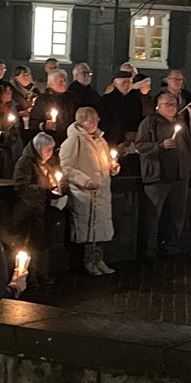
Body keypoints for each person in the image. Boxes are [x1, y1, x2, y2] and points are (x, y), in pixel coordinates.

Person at [61, 108, 117, 275]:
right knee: (89, 228)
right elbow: (67, 167)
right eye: (89, 120)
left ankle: (98, 259)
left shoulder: (100, 140)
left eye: (96, 120)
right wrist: (85, 181)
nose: (94, 124)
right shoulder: (74, 140)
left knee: (100, 228)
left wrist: (113, 168)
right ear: (81, 122)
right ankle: (88, 261)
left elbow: (105, 162)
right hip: (85, 192)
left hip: (101, 191)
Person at [135, 91, 191, 260]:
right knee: (152, 215)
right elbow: (140, 146)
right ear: (158, 106)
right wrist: (160, 146)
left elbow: (189, 145)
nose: (172, 108)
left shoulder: (180, 123)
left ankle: (170, 246)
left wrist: (187, 164)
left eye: (174, 104)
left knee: (176, 214)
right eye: (168, 104)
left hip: (178, 177)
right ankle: (149, 249)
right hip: (158, 177)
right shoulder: (149, 123)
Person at [6, 134, 64, 284]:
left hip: (44, 209)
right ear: (39, 147)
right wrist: (44, 191)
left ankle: (42, 273)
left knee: (43, 243)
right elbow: (21, 186)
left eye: (52, 149)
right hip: (29, 210)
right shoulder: (25, 162)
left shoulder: (47, 163)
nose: (50, 152)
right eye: (47, 149)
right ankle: (29, 276)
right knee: (31, 244)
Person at [97, 70, 147, 159]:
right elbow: (106, 122)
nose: (126, 85)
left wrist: (135, 133)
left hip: (132, 142)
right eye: (124, 82)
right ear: (115, 83)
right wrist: (123, 134)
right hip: (114, 141)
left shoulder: (135, 100)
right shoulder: (106, 100)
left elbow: (138, 118)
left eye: (129, 82)